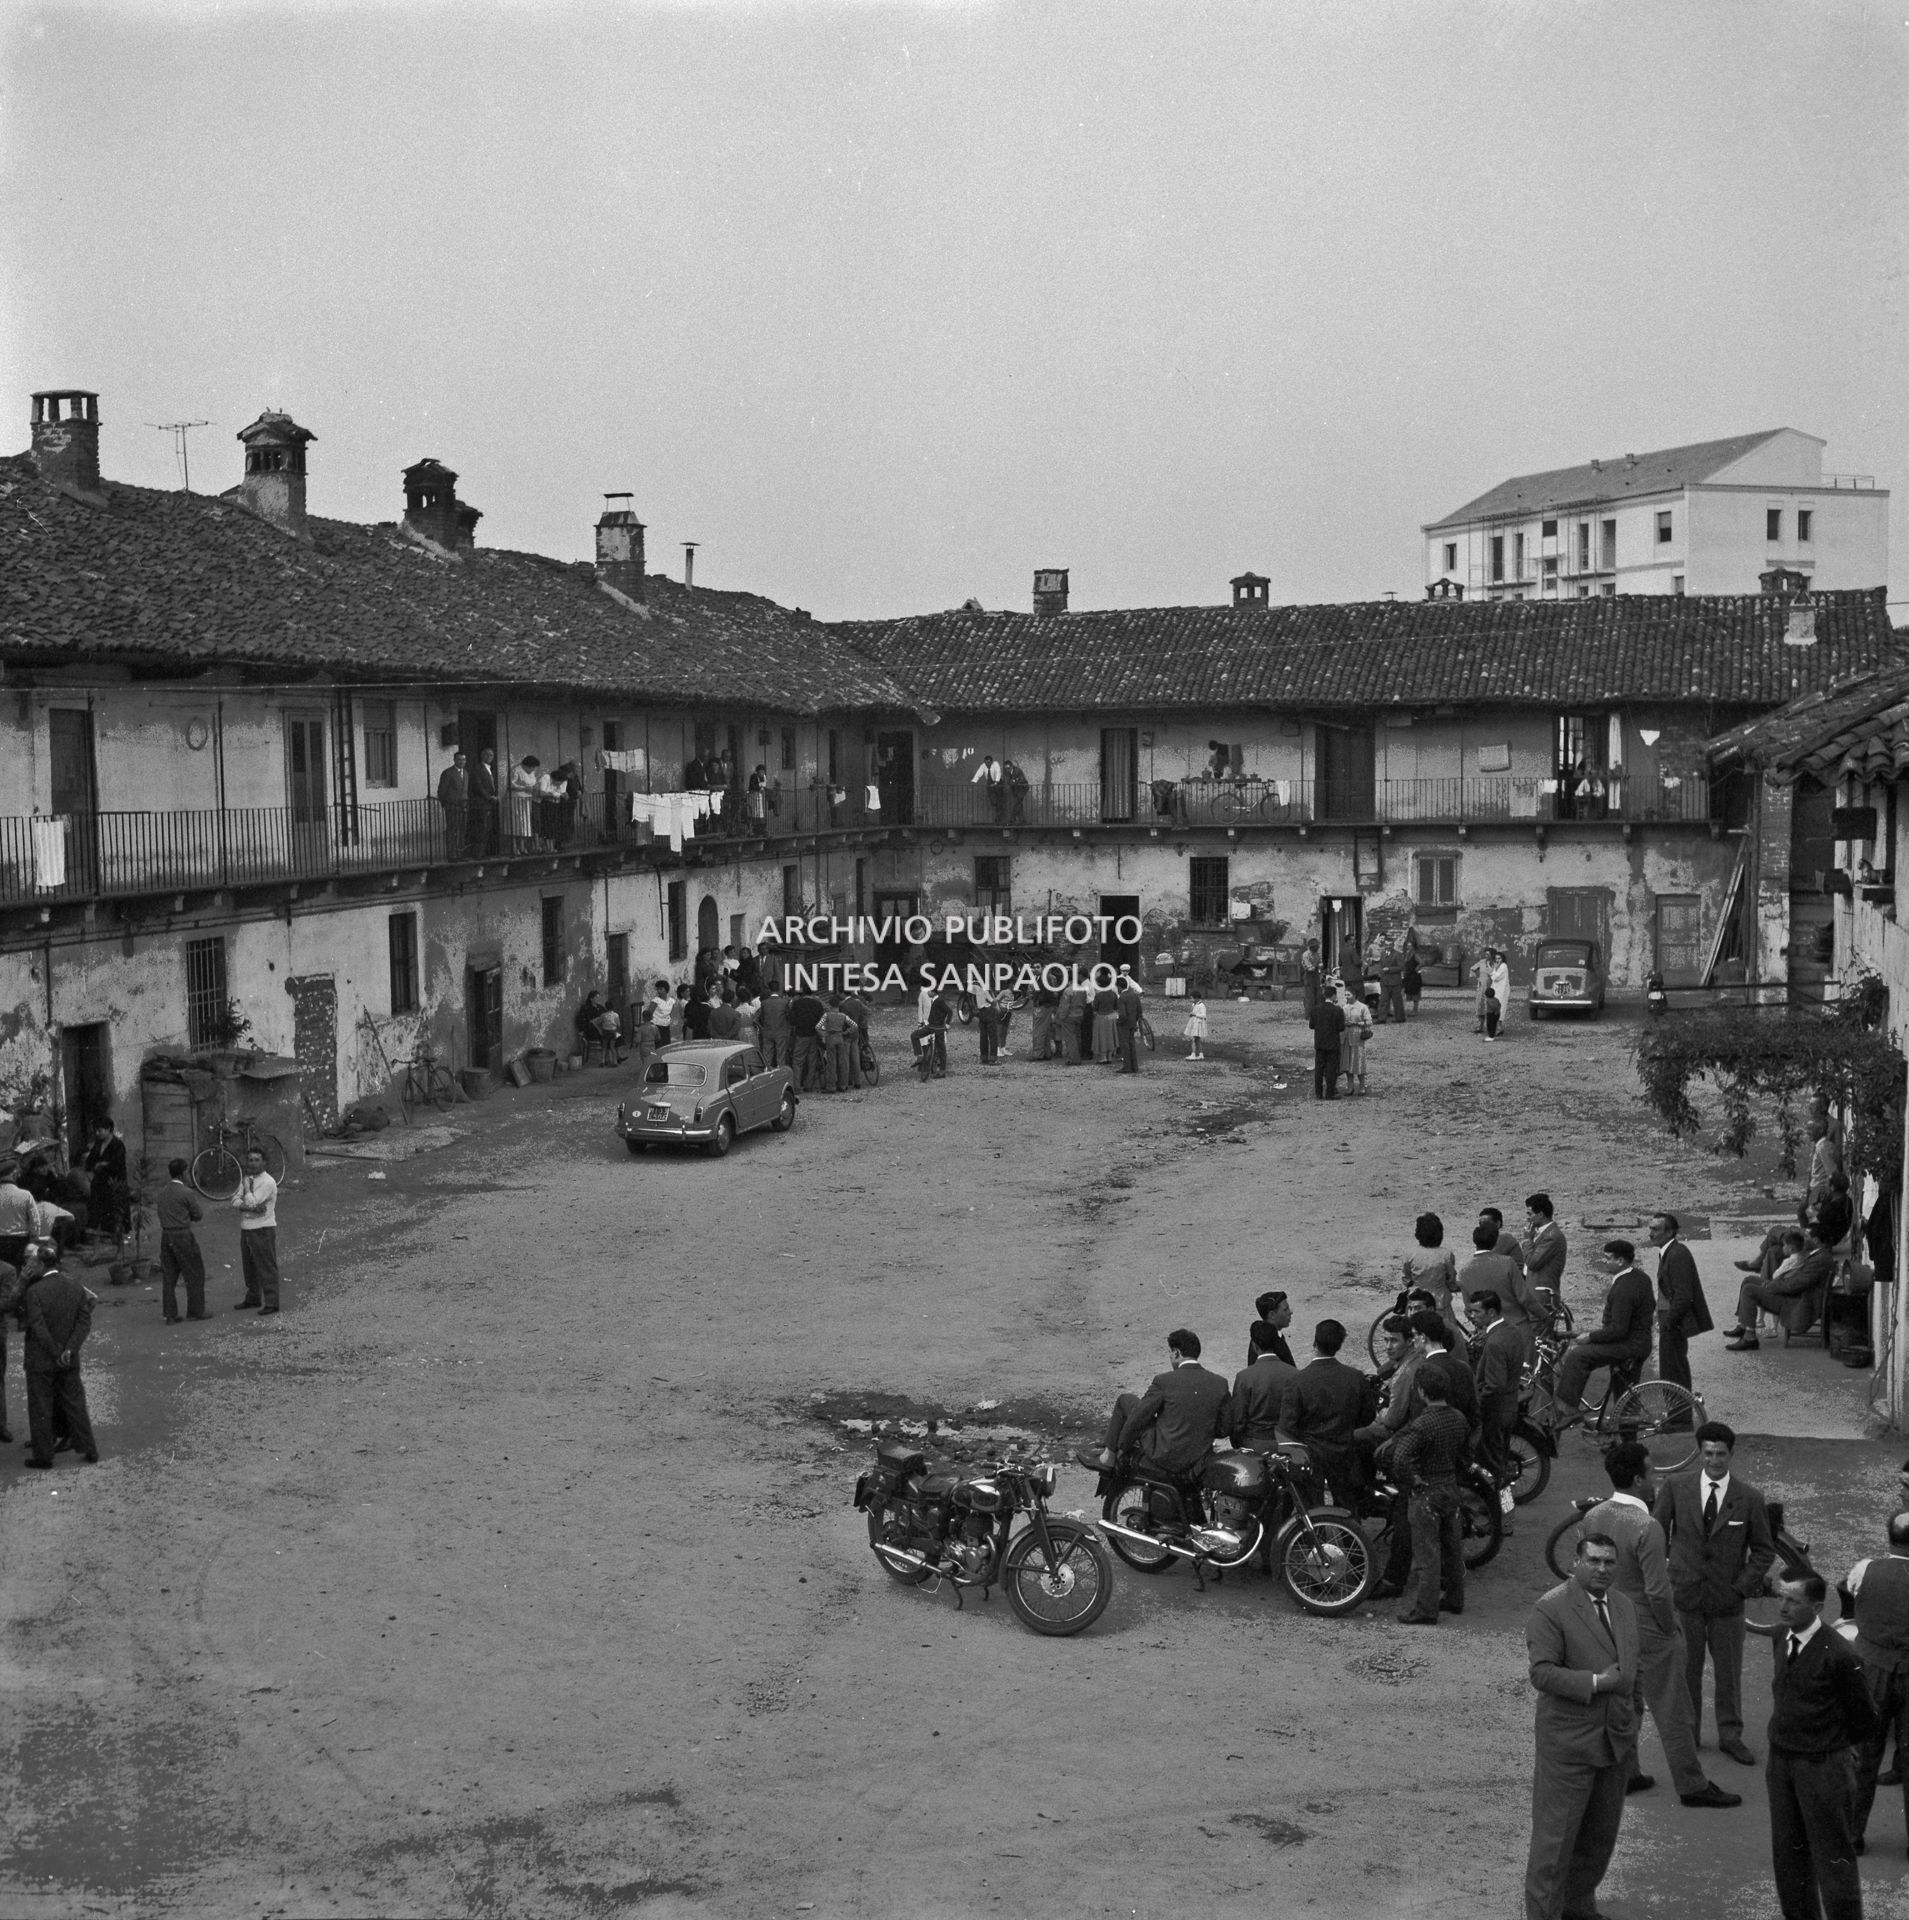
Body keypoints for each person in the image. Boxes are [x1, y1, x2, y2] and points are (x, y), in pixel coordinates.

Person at [1580, 1442, 1741, 1809]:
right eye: (1651, 1471)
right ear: (1638, 1480)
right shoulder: (1647, 1527)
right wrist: (1669, 1627)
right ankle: (1691, 1784)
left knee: (1626, 1700)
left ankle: (1627, 1773)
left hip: (1609, 1619)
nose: (1655, 1478)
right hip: (1647, 1625)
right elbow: (1657, 1590)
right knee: (1673, 1708)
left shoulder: (1594, 1516)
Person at [1524, 1534, 1640, 1920]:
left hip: (1615, 1742)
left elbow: (1634, 1667)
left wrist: (1633, 1716)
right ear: (1576, 1563)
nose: (1602, 1569)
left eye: (1609, 1562)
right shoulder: (1551, 1608)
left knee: (1598, 1840)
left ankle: (1578, 1910)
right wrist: (1597, 1682)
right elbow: (1542, 1673)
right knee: (1554, 1847)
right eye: (1594, 1560)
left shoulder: (1623, 1606)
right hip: (1569, 1746)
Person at [1655, 1421, 1776, 1766]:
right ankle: (1688, 1734)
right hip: (1686, 1597)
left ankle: (1730, 1736)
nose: (1714, 1460)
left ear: (1731, 1454)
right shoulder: (1677, 1487)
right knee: (1687, 1672)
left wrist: (1740, 1588)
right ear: (1700, 1453)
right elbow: (1656, 1534)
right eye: (1708, 1453)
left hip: (1727, 1602)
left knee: (1728, 1674)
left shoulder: (1749, 1498)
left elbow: (1763, 1551)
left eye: (1720, 1454)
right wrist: (1669, 1576)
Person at [1766, 1571, 1877, 1920]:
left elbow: (1865, 1717)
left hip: (1822, 1767)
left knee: (1833, 1858)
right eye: (1781, 1597)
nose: (1783, 1607)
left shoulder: (1840, 1654)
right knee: (1788, 1855)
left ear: (1816, 1607)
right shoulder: (1781, 1635)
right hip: (1781, 1762)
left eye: (1793, 1600)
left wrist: (1835, 1747)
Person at [1843, 1512, 1909, 1852]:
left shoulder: (1866, 1568)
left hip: (1872, 1669)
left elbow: (1849, 1592)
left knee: (1865, 1755)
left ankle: (1853, 1834)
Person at [1085, 1328, 1230, 1478]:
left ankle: (1108, 1456)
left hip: (1164, 1454)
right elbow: (1223, 1429)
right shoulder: (1220, 1383)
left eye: (1170, 1352)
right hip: (1199, 1456)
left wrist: (1122, 1447)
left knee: (1125, 1400)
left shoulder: (1164, 1381)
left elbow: (1138, 1418)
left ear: (1176, 1353)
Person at [1388, 1369, 1469, 1625]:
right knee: (1453, 1549)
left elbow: (1400, 1457)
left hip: (1427, 1492)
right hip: (1450, 1488)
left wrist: (1413, 1479)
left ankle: (1426, 1610)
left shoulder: (1423, 1424)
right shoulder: (1458, 1418)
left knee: (1427, 1554)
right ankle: (1455, 1598)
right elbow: (1466, 1454)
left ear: (1422, 1392)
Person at [1546, 1240, 1654, 1430]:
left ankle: (1567, 1410)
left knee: (1578, 1356)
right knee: (1624, 1396)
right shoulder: (1640, 1277)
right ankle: (1625, 1438)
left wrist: (1590, 1337)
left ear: (1620, 1261)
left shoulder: (1623, 1289)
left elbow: (1618, 1329)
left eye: (1608, 1258)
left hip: (1630, 1345)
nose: (1605, 1262)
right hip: (1640, 1341)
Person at [1276, 1319, 1370, 1506]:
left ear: (1315, 1342)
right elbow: (1367, 1416)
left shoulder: (1298, 1381)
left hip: (1311, 1456)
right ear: (1339, 1345)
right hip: (1344, 1451)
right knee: (1347, 1505)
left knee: (1312, 1507)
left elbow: (1287, 1426)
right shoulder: (1355, 1377)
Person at [22, 1241, 98, 1466]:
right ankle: (89, 1448)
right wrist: (69, 1349)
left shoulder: (34, 1291)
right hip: (69, 1358)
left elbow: (38, 1327)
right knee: (75, 1403)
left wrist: (55, 1351)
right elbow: (84, 1321)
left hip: (41, 1359)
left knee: (41, 1406)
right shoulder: (75, 1286)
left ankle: (43, 1456)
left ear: (42, 1265)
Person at [1726, 1224, 1835, 1350]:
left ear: (1816, 1240)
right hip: (1793, 1294)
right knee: (1748, 1280)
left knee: (1749, 1290)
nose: (1806, 1238)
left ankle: (1750, 1337)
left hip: (1795, 1302)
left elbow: (1795, 1284)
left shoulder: (1819, 1259)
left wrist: (1772, 1285)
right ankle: (1744, 1325)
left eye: (1808, 1236)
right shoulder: (1820, 1254)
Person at [1650, 1211, 1713, 1415]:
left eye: (1655, 1229)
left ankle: (1678, 1415)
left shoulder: (1677, 1255)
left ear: (1669, 1232)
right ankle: (1678, 1413)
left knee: (1673, 1370)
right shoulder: (1670, 1252)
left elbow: (1683, 1296)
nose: (1651, 1233)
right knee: (1673, 1368)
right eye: (1651, 1229)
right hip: (1670, 1318)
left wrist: (1668, 1321)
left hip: (1673, 1320)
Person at [1469, 1291, 1526, 1487]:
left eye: (1476, 1312)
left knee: (1492, 1466)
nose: (1472, 1316)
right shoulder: (1512, 1331)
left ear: (1491, 1312)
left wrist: (1476, 1404)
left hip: (1495, 1412)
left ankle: (1499, 1501)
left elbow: (1495, 1385)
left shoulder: (1494, 1342)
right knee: (1500, 1459)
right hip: (1510, 1406)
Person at [1228, 1320, 1299, 1453]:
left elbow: (1238, 1419)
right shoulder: (1294, 1373)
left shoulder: (1245, 1377)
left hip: (1254, 1444)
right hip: (1288, 1443)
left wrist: (1238, 1444)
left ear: (1254, 1345)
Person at [156, 1157, 209, 1323]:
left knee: (169, 1277)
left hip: (166, 1235)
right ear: (182, 1173)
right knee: (194, 1273)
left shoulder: (162, 1192)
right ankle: (195, 1311)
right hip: (183, 1235)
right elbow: (198, 1215)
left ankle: (170, 1314)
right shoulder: (186, 1192)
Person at [232, 1146, 282, 1315]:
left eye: (256, 1160)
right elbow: (235, 1201)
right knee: (249, 1266)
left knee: (266, 1266)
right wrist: (249, 1207)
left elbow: (251, 1202)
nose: (252, 1163)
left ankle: (272, 1302)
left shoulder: (268, 1182)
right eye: (250, 1160)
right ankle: (253, 1297)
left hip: (262, 1228)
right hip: (246, 1228)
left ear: (264, 1162)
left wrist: (247, 1192)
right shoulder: (248, 1178)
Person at [1404, 1212, 1461, 1339]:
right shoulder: (1446, 1255)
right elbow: (1451, 1278)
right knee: (1449, 1335)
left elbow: (1407, 1278)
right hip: (1440, 1303)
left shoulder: (1411, 1254)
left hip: (1416, 1303)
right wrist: (1452, 1287)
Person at [80, 1117, 130, 1244]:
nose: (97, 1133)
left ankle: (116, 1235)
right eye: (96, 1131)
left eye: (100, 1130)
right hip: (99, 1184)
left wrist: (104, 1165)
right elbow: (90, 1162)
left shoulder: (117, 1145)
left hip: (114, 1184)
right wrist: (94, 1165)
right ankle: (102, 1235)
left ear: (108, 1129)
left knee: (115, 1211)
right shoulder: (98, 1144)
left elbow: (118, 1164)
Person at [1523, 1193, 1568, 1306]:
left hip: (1541, 1296)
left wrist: (1527, 1240)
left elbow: (1533, 1263)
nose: (1528, 1218)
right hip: (1534, 1293)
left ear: (1541, 1214)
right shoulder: (1540, 1232)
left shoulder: (1552, 1235)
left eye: (1530, 1214)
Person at [1308, 984, 1345, 1101]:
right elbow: (1341, 1027)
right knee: (1331, 1068)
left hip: (1320, 1042)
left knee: (1319, 1067)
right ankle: (1330, 1093)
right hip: (1333, 1042)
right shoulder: (1338, 1010)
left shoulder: (1315, 1009)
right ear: (1334, 996)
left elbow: (1311, 1025)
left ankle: (1318, 1093)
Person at [1337, 977, 1372, 1094]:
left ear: (1354, 995)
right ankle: (1350, 1086)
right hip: (1346, 1037)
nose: (1347, 997)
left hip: (1358, 1037)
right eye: (1345, 995)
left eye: (1349, 995)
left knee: (1359, 1062)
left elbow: (1369, 1022)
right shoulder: (1344, 1008)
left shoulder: (1363, 1007)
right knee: (1347, 1064)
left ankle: (1362, 1086)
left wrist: (1356, 1023)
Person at [788, 986, 827, 1091]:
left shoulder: (797, 1004)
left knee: (797, 1061)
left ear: (803, 993)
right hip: (814, 1035)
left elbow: (791, 1020)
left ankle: (797, 1086)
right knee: (812, 1061)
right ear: (812, 993)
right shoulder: (817, 1004)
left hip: (801, 1035)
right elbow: (822, 1020)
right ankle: (809, 1085)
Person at [0, 1160, 37, 1270]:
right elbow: (34, 1221)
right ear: (14, 1174)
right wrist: (34, 1238)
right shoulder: (25, 1195)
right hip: (20, 1241)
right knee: (17, 1269)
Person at [1251, 1290, 1297, 1366]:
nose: (1290, 1312)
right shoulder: (1263, 1341)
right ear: (1272, 1315)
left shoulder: (1275, 1337)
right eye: (1285, 1309)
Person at [467, 747, 499, 856]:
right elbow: (478, 786)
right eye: (487, 754)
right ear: (482, 755)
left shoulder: (490, 769)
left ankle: (484, 852)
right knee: (481, 828)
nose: (489, 757)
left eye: (491, 755)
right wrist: (489, 797)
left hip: (489, 804)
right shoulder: (477, 768)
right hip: (481, 803)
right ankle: (478, 853)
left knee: (487, 828)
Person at [436, 750, 468, 857]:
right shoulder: (448, 773)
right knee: (452, 830)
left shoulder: (466, 773)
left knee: (462, 830)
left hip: (464, 807)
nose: (461, 762)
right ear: (454, 760)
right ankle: (452, 854)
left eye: (463, 759)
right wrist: (446, 804)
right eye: (459, 759)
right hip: (452, 806)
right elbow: (441, 791)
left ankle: (460, 854)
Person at [508, 755, 541, 853]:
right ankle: (515, 847)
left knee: (525, 824)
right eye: (533, 767)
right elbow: (510, 784)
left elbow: (533, 782)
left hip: (527, 800)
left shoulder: (531, 772)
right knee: (516, 823)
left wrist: (534, 788)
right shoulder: (516, 770)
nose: (533, 770)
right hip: (516, 800)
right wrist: (524, 788)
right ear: (527, 766)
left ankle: (522, 847)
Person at [1115, 971, 1144, 1075]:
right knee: (1131, 1045)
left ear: (1119, 987)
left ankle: (1127, 1067)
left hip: (1124, 1025)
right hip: (1132, 1023)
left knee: (1125, 1046)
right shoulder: (1134, 995)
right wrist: (1135, 1021)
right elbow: (1139, 1010)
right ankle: (1134, 1066)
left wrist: (1118, 1022)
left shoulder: (1122, 998)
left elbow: (1122, 1015)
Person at [757, 983, 791, 1070]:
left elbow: (762, 1017)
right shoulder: (784, 1002)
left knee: (767, 1056)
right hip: (781, 1032)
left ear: (770, 989)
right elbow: (788, 1017)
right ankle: (780, 1073)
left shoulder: (764, 1003)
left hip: (767, 1032)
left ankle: (766, 1072)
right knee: (781, 1056)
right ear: (779, 989)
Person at [1090, 976, 1121, 1064]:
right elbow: (1116, 1007)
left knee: (1102, 1037)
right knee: (1111, 1036)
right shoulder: (1113, 994)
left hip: (1101, 1017)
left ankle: (1103, 1057)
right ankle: (1109, 1057)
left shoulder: (1099, 995)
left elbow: (1095, 1008)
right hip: (1111, 1016)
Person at [970, 752, 1005, 822]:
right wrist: (974, 781)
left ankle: (999, 817)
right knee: (993, 801)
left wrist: (996, 782)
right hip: (990, 784)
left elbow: (998, 772)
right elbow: (979, 773)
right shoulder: (983, 765)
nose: (987, 764)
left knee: (999, 801)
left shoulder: (996, 764)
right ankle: (997, 809)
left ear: (991, 762)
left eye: (988, 763)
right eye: (986, 763)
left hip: (998, 783)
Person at [1489, 950, 1512, 1037]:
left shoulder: (1503, 966)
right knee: (1495, 1008)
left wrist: (1494, 970)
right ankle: (1499, 1028)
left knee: (1500, 1009)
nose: (1497, 960)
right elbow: (1493, 977)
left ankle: (1499, 1028)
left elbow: (1495, 978)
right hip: (1496, 990)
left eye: (1499, 958)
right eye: (1496, 958)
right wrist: (1494, 971)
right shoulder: (1497, 967)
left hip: (1502, 991)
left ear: (1502, 959)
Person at [1472, 949, 1494, 1033]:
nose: (1486, 956)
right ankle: (1480, 1026)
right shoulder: (1481, 962)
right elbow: (1473, 969)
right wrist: (1477, 977)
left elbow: (1494, 973)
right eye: (1486, 954)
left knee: (1490, 1007)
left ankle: (1491, 1027)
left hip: (1491, 986)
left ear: (1492, 955)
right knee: (1480, 1005)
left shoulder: (1494, 963)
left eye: (1488, 954)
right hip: (1481, 987)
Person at [1299, 937, 1322, 1018]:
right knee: (1309, 996)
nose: (1318, 947)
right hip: (1308, 976)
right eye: (1316, 946)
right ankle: (1308, 1014)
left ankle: (1317, 1013)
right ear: (1312, 946)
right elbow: (1309, 968)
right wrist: (1316, 966)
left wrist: (1320, 965)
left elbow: (1320, 962)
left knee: (1318, 995)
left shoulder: (1317, 954)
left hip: (1316, 975)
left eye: (1318, 946)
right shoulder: (1306, 955)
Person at [1182, 995, 1207, 1061]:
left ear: (1196, 998)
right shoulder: (1194, 1005)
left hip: (1198, 1024)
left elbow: (1204, 1015)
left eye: (1192, 998)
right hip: (1194, 1023)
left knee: (1194, 1039)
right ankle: (1201, 1054)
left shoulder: (1201, 1005)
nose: (1191, 999)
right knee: (1197, 1039)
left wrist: (1195, 1014)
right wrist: (1192, 1014)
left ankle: (1193, 1054)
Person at [1402, 944, 1423, 1015]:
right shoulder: (1406, 954)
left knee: (1415, 993)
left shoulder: (1415, 955)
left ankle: (1415, 1010)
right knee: (1408, 991)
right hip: (1408, 976)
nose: (1408, 947)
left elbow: (1422, 962)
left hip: (1414, 976)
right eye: (1407, 945)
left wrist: (1417, 968)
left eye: (1410, 945)